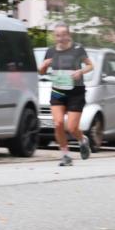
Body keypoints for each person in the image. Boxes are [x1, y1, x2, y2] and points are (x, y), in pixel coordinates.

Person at [38, 23, 94, 165]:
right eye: (57, 35)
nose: (60, 38)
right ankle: (66, 155)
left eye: (63, 35)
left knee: (72, 127)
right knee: (57, 124)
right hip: (57, 91)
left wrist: (80, 71)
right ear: (54, 36)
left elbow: (90, 65)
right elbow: (42, 71)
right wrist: (43, 66)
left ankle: (82, 140)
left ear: (68, 35)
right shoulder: (50, 51)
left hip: (76, 92)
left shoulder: (77, 49)